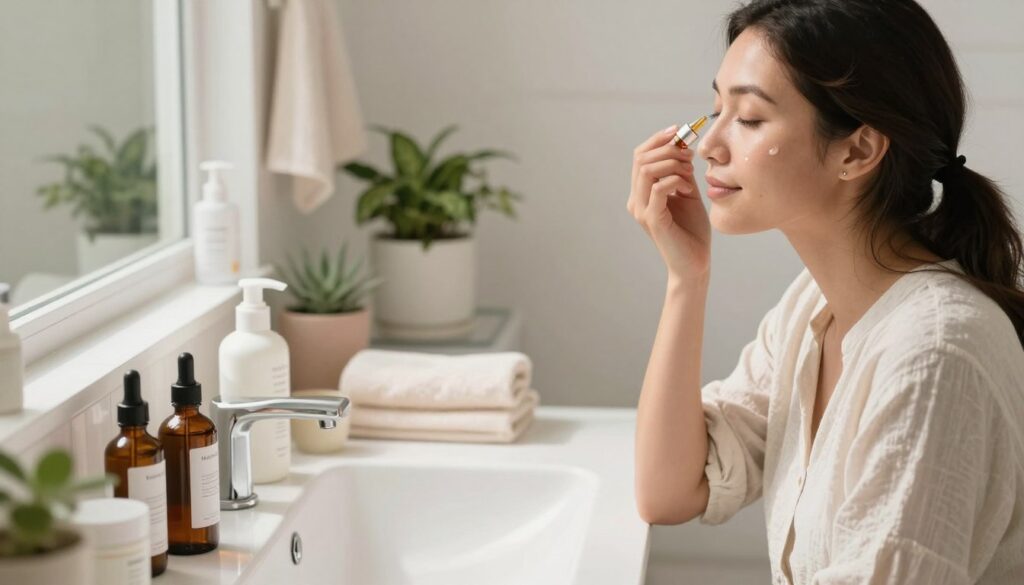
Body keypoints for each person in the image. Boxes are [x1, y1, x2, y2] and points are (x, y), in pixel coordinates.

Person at [628, 1, 1024, 583]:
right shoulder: (812, 308)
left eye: (751, 119)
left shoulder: (934, 354)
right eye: (716, 110)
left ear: (858, 150)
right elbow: (669, 492)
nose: (709, 146)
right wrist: (687, 279)